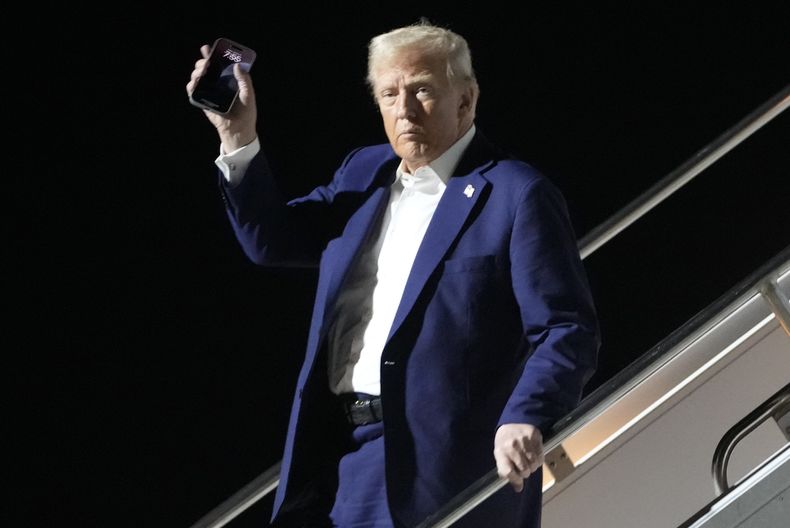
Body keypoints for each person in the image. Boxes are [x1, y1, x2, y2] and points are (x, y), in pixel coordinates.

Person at [187, 21, 600, 528]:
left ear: (466, 100)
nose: (403, 109)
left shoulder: (516, 193)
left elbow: (567, 328)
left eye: (422, 90)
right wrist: (237, 135)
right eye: (389, 94)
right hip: (339, 461)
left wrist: (525, 414)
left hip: (443, 469)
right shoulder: (365, 173)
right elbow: (272, 241)